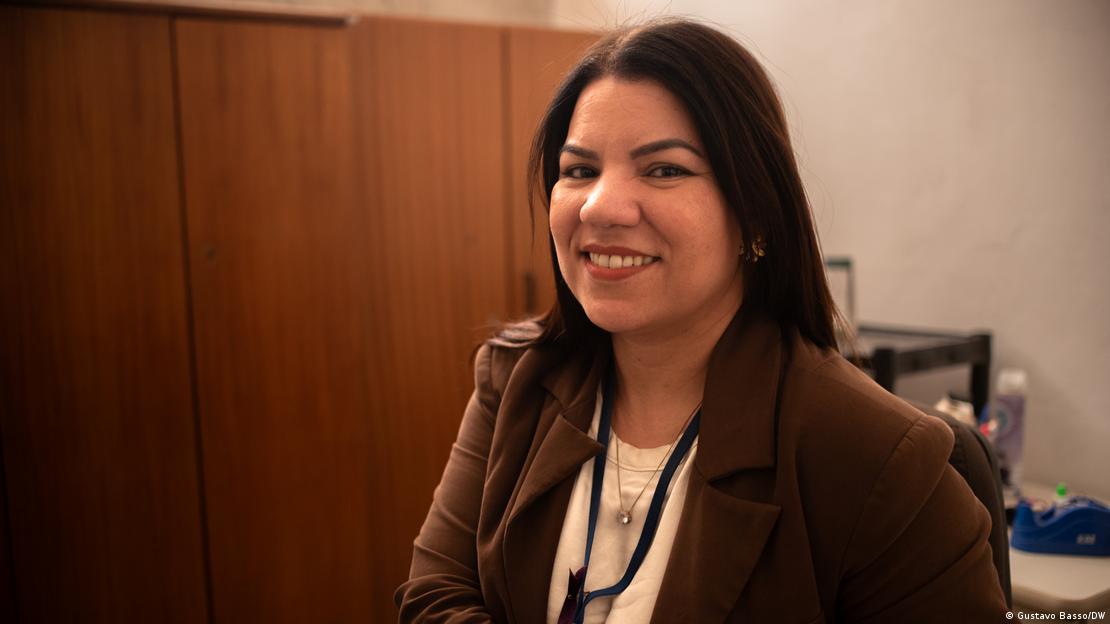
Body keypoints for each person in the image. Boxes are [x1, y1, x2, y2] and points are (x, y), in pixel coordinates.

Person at [396, 17, 1008, 623]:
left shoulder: (877, 459)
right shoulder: (515, 379)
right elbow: (435, 597)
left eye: (665, 169)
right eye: (579, 170)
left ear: (757, 214)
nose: (600, 205)